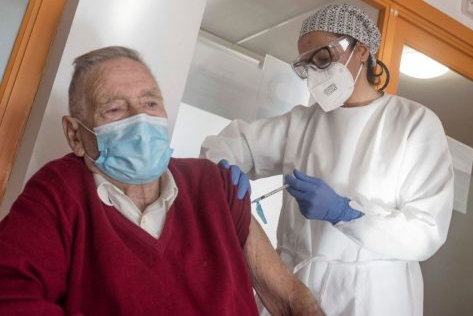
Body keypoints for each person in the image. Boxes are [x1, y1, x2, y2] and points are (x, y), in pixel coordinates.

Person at [0, 46, 323, 315]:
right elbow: (10, 295)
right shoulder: (58, 192)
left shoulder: (213, 185)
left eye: (150, 103)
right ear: (76, 135)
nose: (140, 119)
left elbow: (290, 297)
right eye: (114, 109)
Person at [201, 4, 454, 315]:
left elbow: (426, 233)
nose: (316, 73)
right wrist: (224, 174)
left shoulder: (413, 124)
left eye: (323, 58)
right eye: (307, 65)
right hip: (296, 290)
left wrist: (347, 213)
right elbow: (225, 146)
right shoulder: (301, 122)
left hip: (373, 297)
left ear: (361, 50)